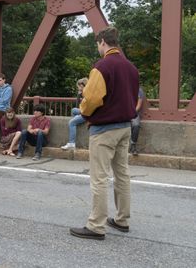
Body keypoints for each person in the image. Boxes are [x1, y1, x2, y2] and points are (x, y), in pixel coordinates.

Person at [70, 26, 139, 240]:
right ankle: (122, 220)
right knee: (122, 175)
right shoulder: (131, 68)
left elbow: (91, 99)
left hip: (105, 129)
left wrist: (83, 111)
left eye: (98, 45)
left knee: (99, 177)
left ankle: (96, 226)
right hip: (125, 127)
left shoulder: (101, 67)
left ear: (102, 42)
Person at [61, 78, 88, 150]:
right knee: (74, 110)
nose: (78, 88)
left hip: (87, 113)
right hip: (84, 111)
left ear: (83, 86)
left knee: (71, 122)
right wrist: (79, 95)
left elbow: (86, 108)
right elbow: (77, 106)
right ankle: (76, 121)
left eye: (79, 86)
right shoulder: (84, 93)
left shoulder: (87, 94)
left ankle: (71, 143)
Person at [129, 87, 145, 156]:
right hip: (122, 112)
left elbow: (139, 103)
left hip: (133, 112)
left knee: (136, 125)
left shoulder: (138, 89)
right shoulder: (121, 87)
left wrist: (133, 112)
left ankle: (133, 145)